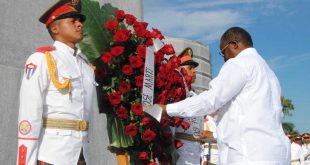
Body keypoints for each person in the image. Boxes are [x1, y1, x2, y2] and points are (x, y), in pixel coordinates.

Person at [159, 27, 291, 164]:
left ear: (234, 44)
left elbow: (211, 99)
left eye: (223, 53)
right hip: (276, 153)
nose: (224, 59)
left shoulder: (239, 63)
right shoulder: (269, 73)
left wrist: (166, 109)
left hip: (249, 154)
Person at [17, 0, 96, 164]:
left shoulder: (86, 66)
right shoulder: (43, 59)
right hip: (53, 154)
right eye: (73, 21)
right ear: (55, 28)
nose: (79, 25)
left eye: (80, 21)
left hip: (82, 155)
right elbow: (29, 112)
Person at [173, 47, 204, 165]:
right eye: (190, 68)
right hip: (181, 151)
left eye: (194, 68)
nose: (194, 71)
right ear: (180, 70)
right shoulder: (174, 93)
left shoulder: (196, 97)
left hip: (196, 152)